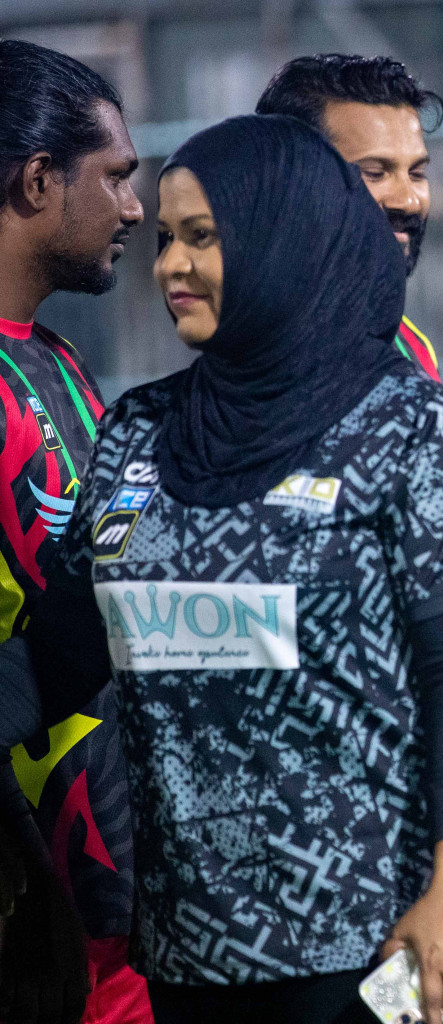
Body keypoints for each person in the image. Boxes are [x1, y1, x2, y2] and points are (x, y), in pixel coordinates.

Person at [4, 113, 443, 1024]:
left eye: (202, 238)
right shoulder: (138, 431)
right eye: (165, 239)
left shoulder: (408, 425)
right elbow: (63, 647)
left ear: (279, 239)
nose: (169, 267)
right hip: (185, 948)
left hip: (373, 942)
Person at [0, 38, 146, 1024]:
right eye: (117, 178)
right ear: (39, 179)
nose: (134, 208)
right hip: (31, 904)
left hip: (119, 891)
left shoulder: (55, 359)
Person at [256, 53, 443, 379]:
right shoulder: (260, 356)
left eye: (416, 173)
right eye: (374, 172)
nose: (409, 201)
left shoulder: (409, 341)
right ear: (289, 183)